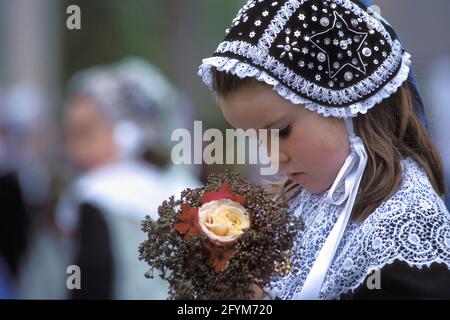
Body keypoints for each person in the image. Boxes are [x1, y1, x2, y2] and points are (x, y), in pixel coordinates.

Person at [198, 0, 450, 299]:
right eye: (256, 138)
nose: (273, 157)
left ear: (344, 103)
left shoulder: (406, 227)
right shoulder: (300, 200)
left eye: (282, 132)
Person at [58, 57, 199, 299]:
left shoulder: (96, 197)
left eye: (86, 132)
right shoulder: (189, 194)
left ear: (127, 133)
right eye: (69, 136)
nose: (75, 151)